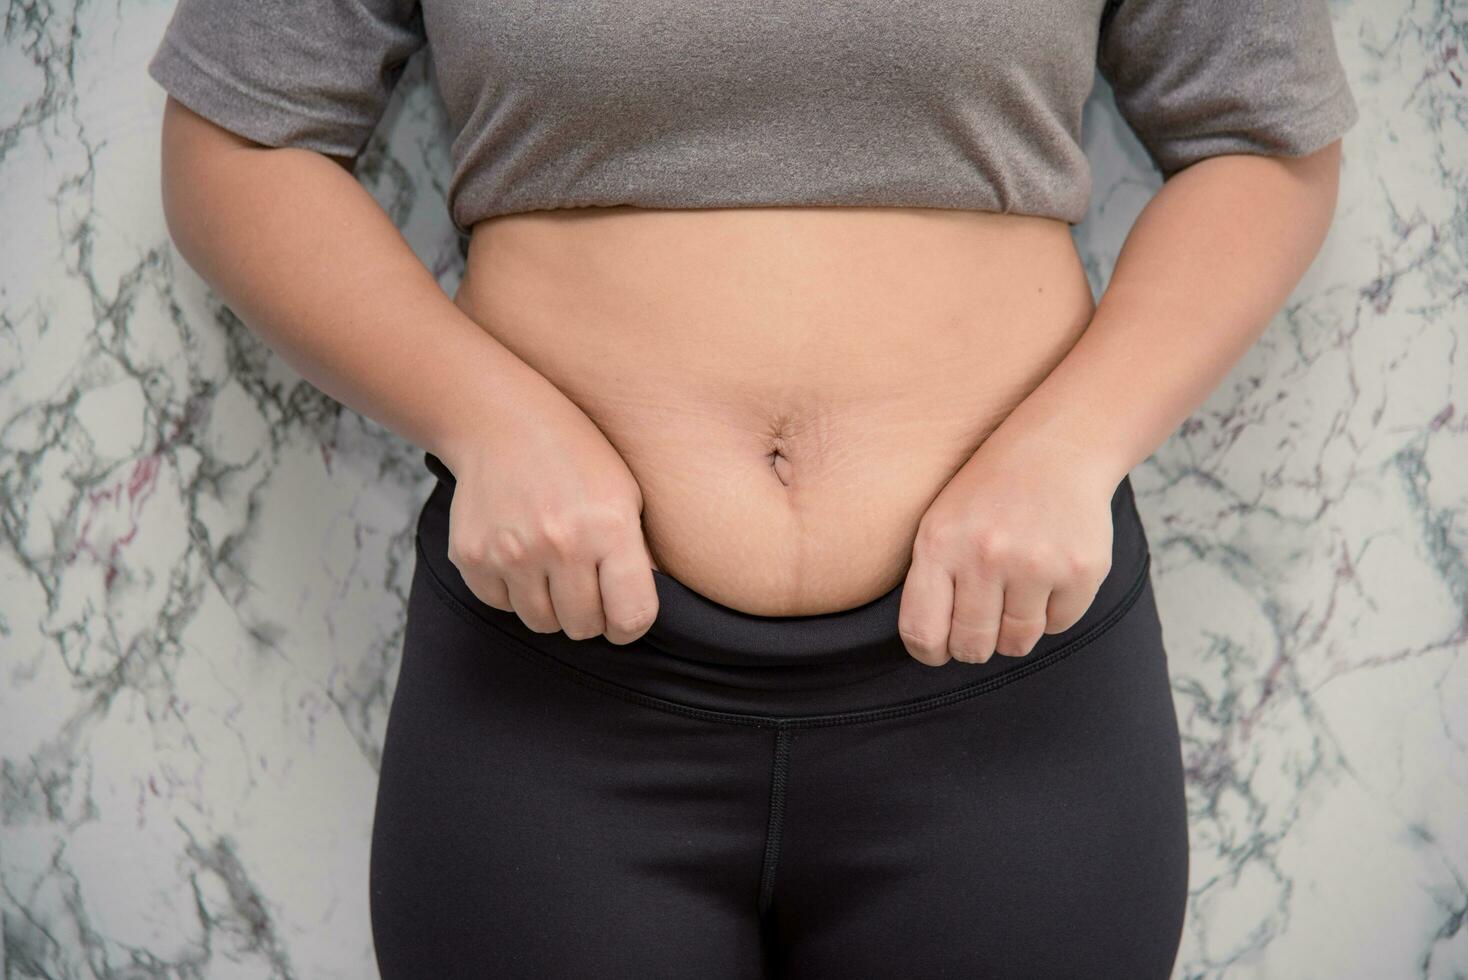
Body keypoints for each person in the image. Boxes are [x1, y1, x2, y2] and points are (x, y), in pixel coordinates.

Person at [146, 0, 1358, 975]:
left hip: (1009, 680)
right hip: (556, 685)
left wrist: (1073, 446)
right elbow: (241, 142)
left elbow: (1261, 136)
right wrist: (489, 421)